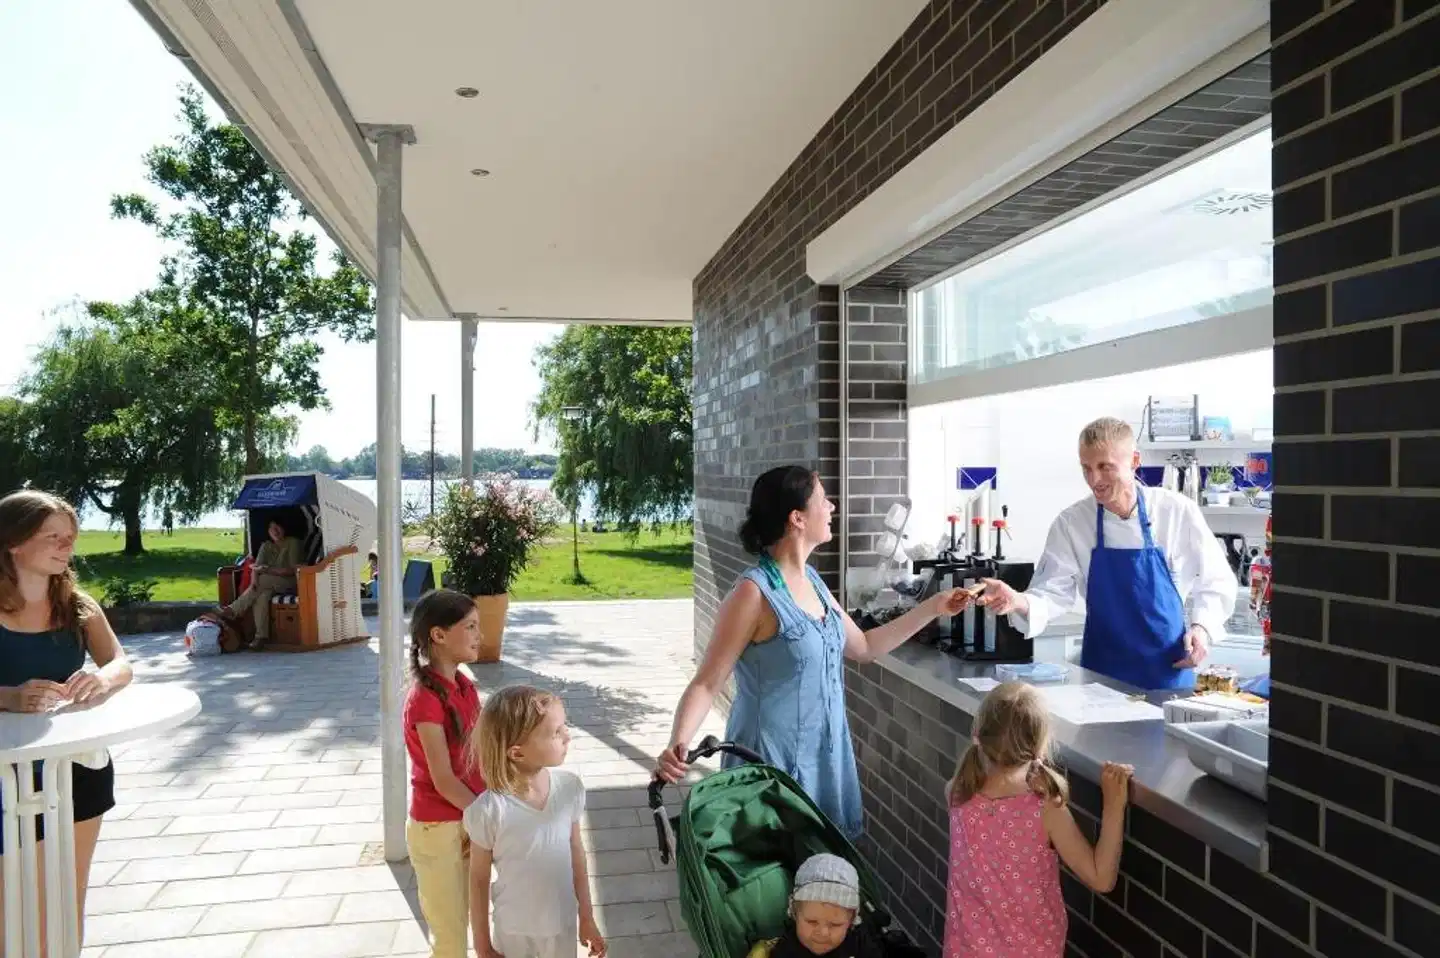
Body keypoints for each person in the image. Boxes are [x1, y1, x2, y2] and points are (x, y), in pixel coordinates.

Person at [656, 466, 970, 838]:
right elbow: (708, 683)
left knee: (824, 882)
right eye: (824, 500)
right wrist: (678, 742)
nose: (833, 507)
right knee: (774, 884)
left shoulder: (814, 583)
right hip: (769, 764)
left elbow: (865, 647)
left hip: (825, 761)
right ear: (797, 518)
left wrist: (934, 607)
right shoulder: (752, 594)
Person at [977, 416, 1237, 690]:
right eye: (1086, 468)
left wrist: (1202, 628)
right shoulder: (1073, 523)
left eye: (1105, 467)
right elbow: (1053, 591)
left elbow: (1216, 581)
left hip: (1169, 675)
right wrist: (1018, 601)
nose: (1094, 480)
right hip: (1100, 681)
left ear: (1134, 461)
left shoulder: (1176, 512)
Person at [0, 489, 134, 948]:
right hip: (6, 776)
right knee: (9, 909)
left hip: (79, 767)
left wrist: (103, 682)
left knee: (66, 901)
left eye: (70, 537)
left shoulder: (79, 604)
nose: (66, 546)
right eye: (52, 537)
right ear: (13, 542)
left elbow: (119, 662)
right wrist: (10, 697)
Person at [945, 682, 1131, 958]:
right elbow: (1101, 878)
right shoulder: (1044, 810)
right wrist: (1114, 806)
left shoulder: (958, 794)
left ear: (977, 735)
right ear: (1040, 747)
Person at [465, 686, 605, 958]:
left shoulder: (570, 789)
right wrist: (482, 945)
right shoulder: (488, 810)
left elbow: (577, 854)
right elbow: (478, 879)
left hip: (562, 924)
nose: (568, 736)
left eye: (564, 727)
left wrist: (586, 916)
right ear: (517, 753)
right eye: (556, 732)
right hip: (515, 933)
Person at [404, 589, 488, 958]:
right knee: (451, 937)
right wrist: (486, 818)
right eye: (469, 626)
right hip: (439, 830)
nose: (478, 635)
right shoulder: (424, 699)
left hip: (469, 820)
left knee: (473, 918)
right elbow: (444, 779)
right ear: (438, 635)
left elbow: (483, 754)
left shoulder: (465, 686)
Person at [747, 853, 883, 958]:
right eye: (812, 922)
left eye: (835, 924)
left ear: (851, 920)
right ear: (795, 913)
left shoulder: (860, 944)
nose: (823, 933)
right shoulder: (786, 951)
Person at [218, 518, 303, 649]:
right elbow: (256, 568)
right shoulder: (266, 545)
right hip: (269, 584)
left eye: (277, 527)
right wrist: (253, 583)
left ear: (284, 528)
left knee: (262, 580)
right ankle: (261, 637)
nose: (275, 531)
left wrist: (266, 571)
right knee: (261, 595)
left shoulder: (293, 543)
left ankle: (233, 610)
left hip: (291, 581)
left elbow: (291, 570)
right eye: (271, 528)